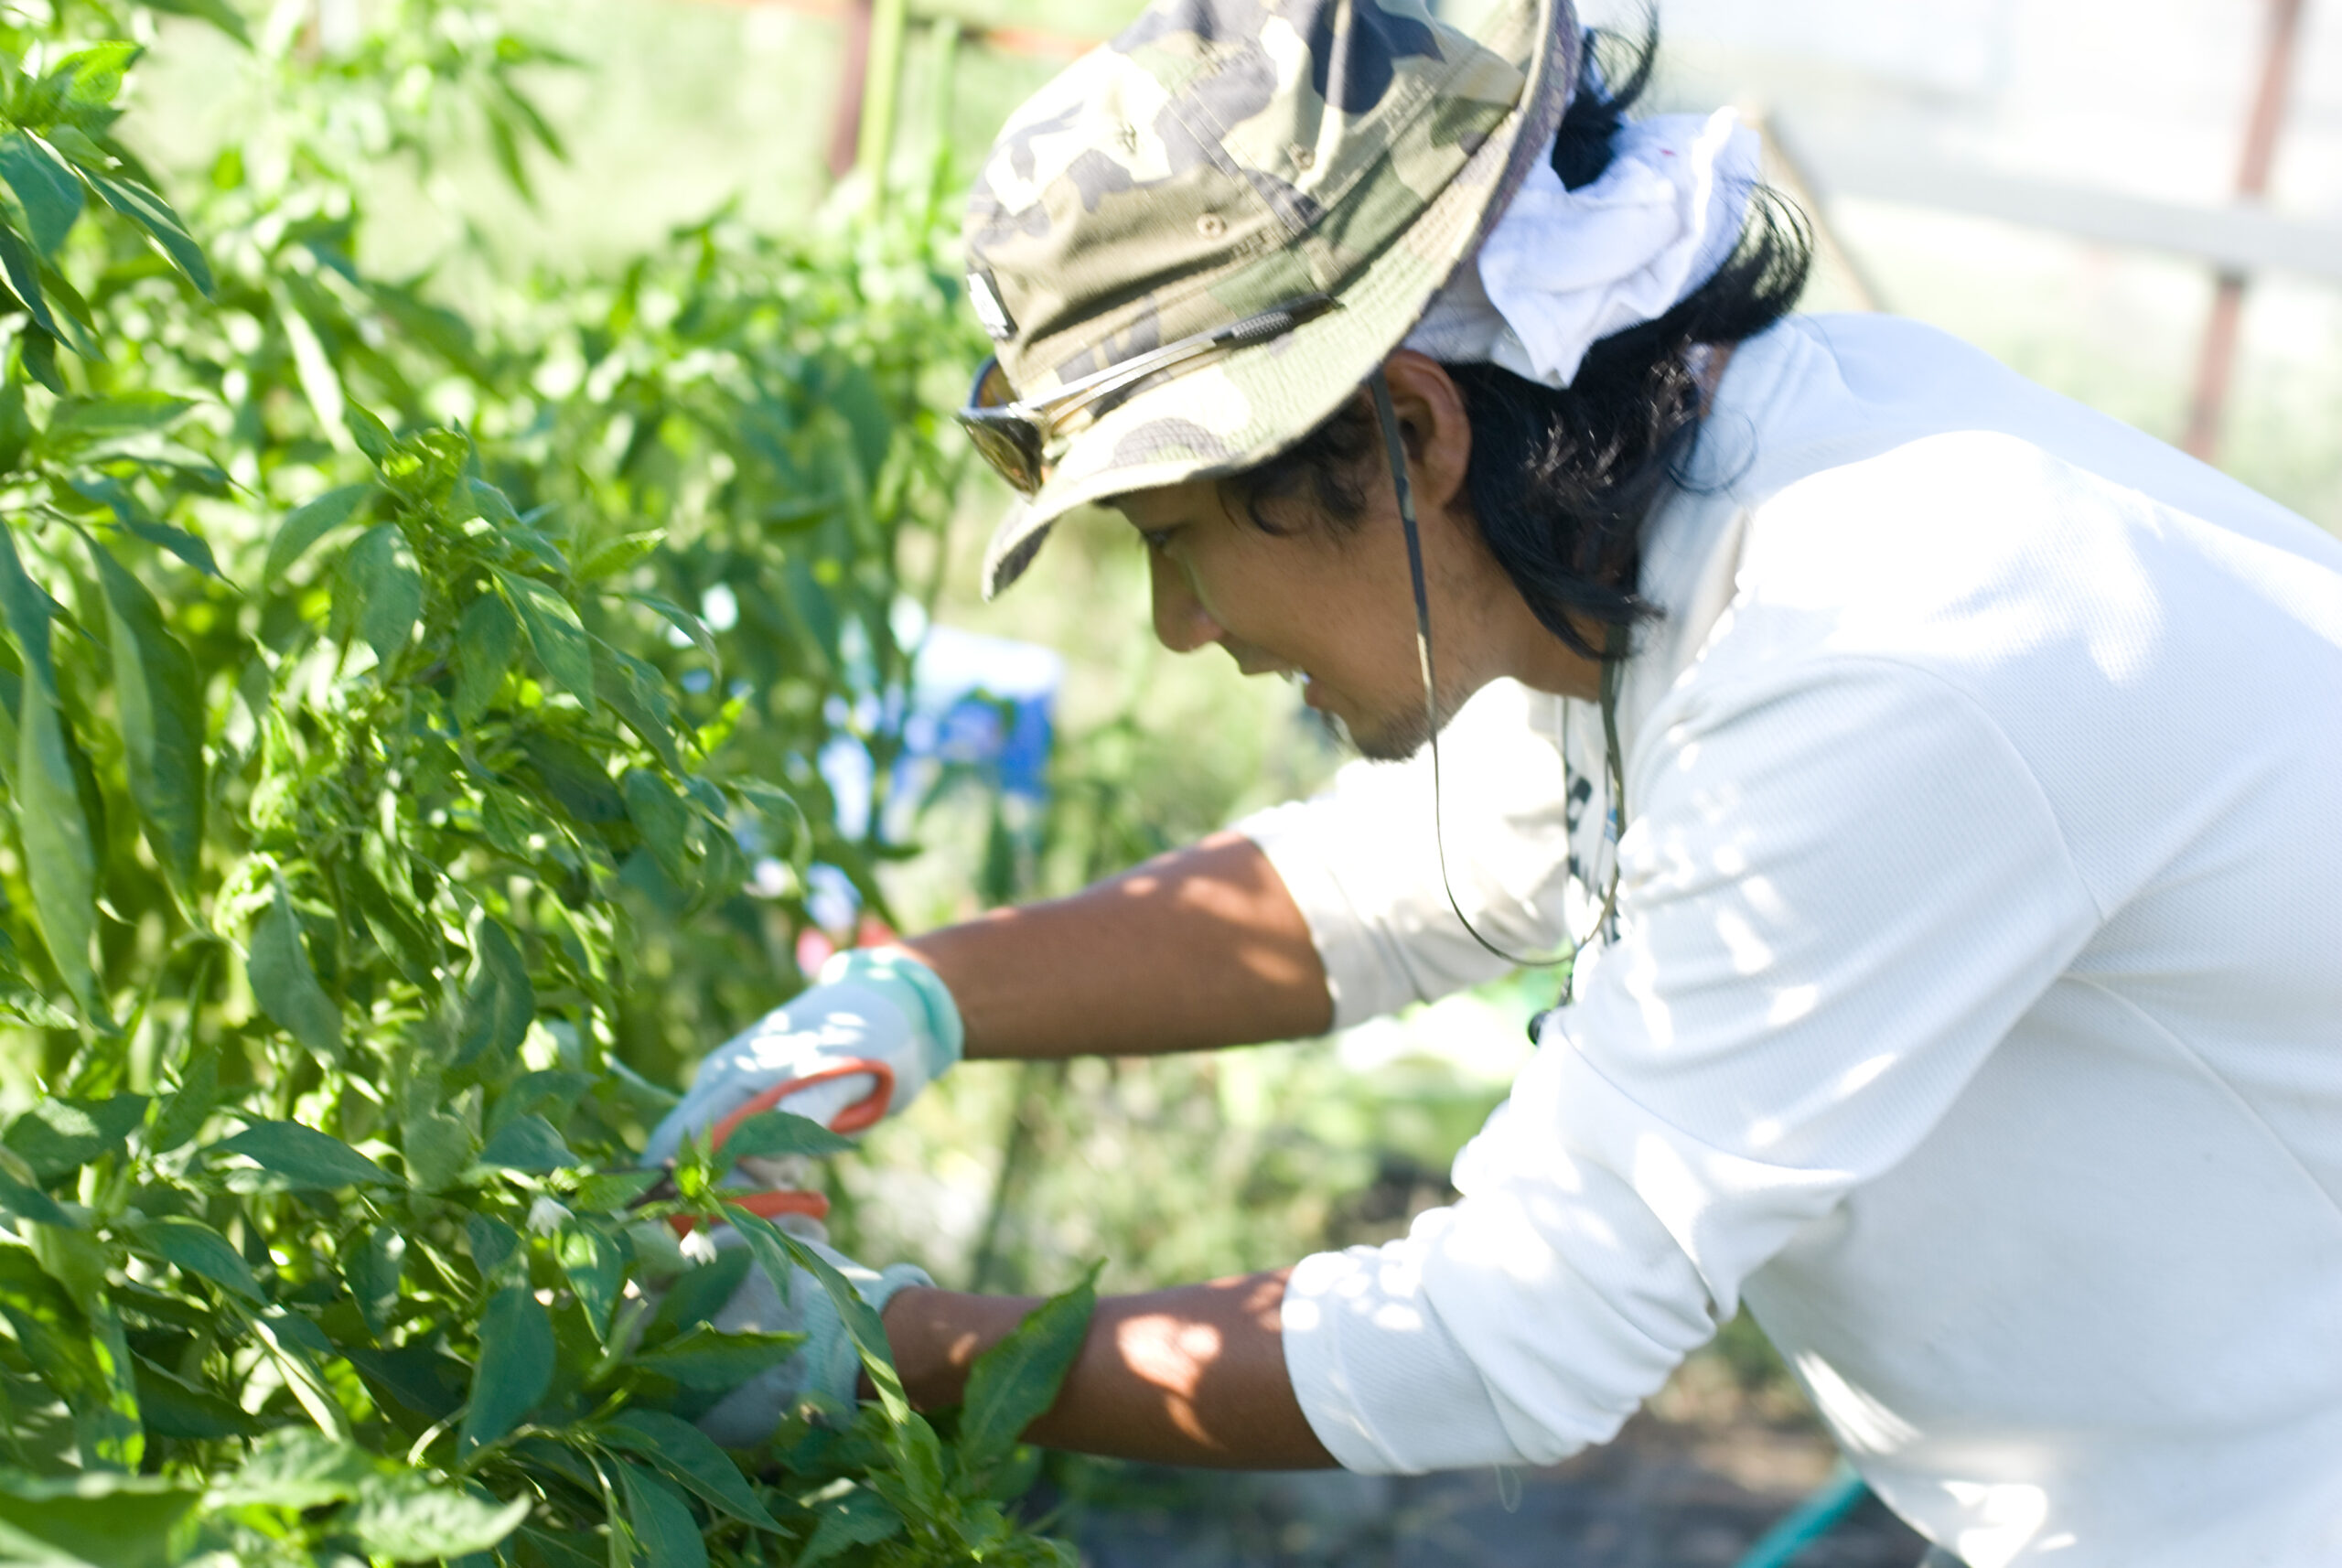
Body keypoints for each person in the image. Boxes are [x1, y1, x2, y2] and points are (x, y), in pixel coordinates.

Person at [637, 0, 2342, 1563]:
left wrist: (881, 1348)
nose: (1177, 624)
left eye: (1179, 536)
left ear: (1414, 431)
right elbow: (1394, 883)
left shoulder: (1883, 642)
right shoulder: (1677, 528)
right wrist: (906, 999)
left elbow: (1517, 1333)